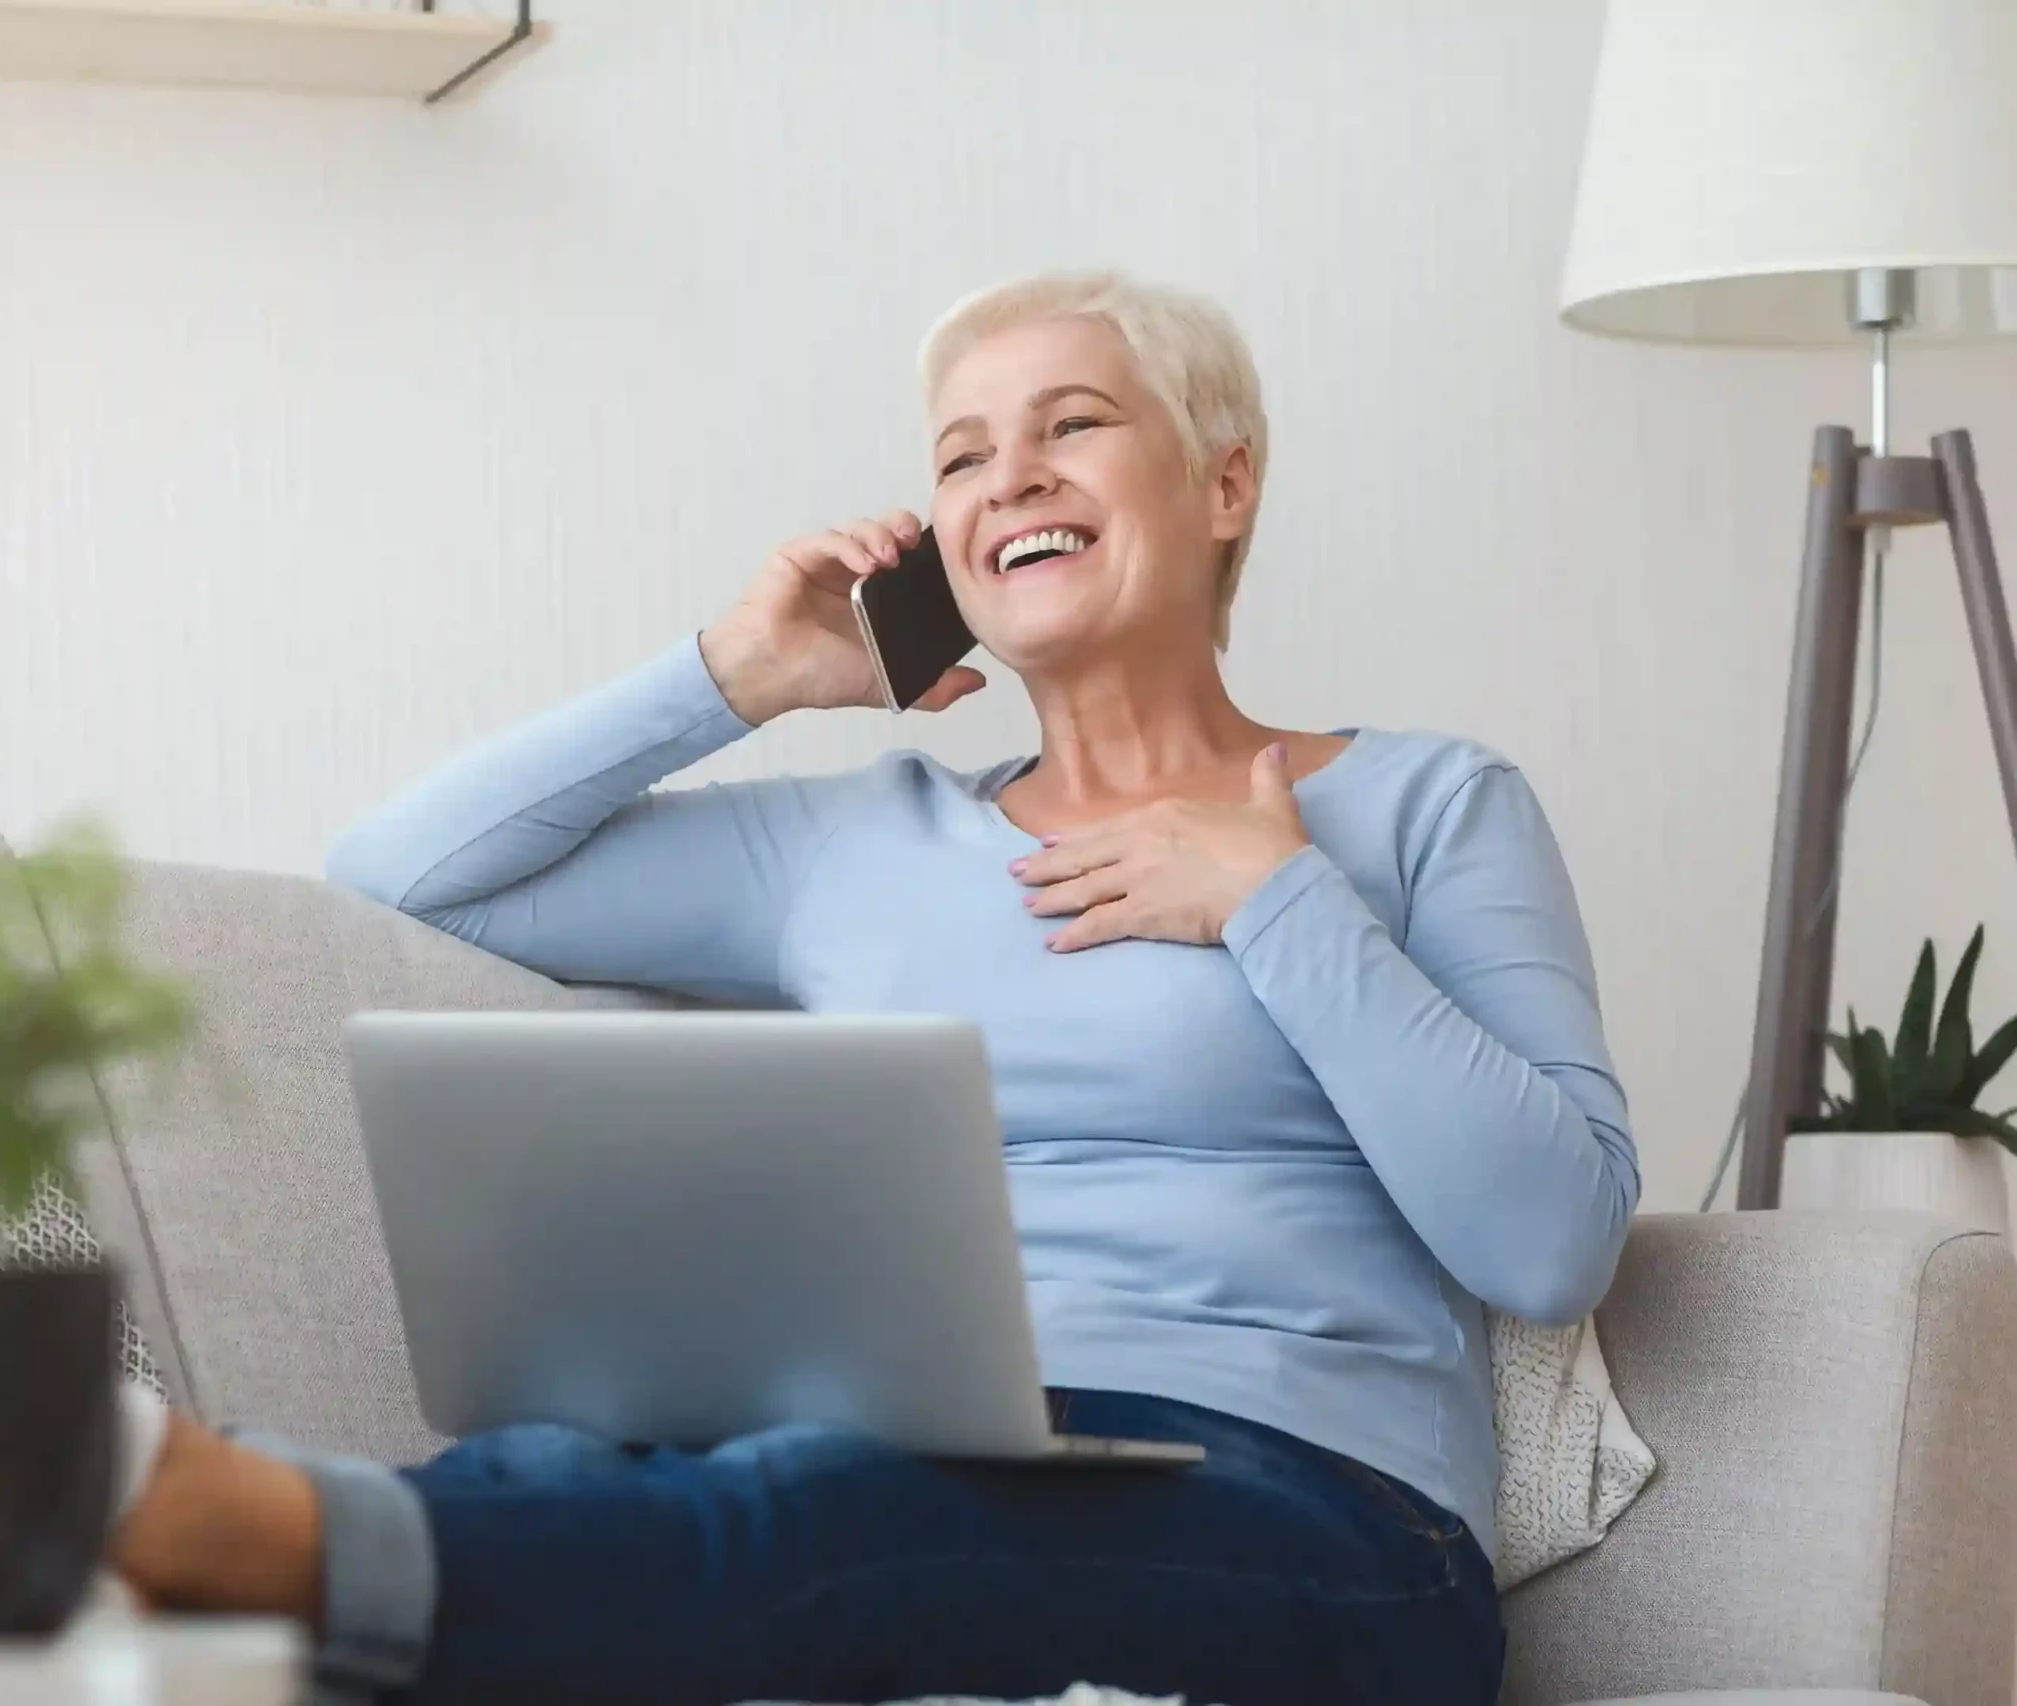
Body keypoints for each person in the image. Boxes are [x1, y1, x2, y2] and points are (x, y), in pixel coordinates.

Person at [105, 272, 1640, 1706]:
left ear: (1226, 484)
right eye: (964, 456)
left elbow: (1549, 1238)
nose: (1011, 477)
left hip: (1322, 1512)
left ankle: (262, 1545)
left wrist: (1276, 901)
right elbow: (402, 872)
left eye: (1074, 424)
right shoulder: (861, 844)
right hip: (899, 1442)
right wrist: (735, 673)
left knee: (828, 1504)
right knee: (590, 1457)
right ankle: (215, 1577)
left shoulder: (1427, 806)